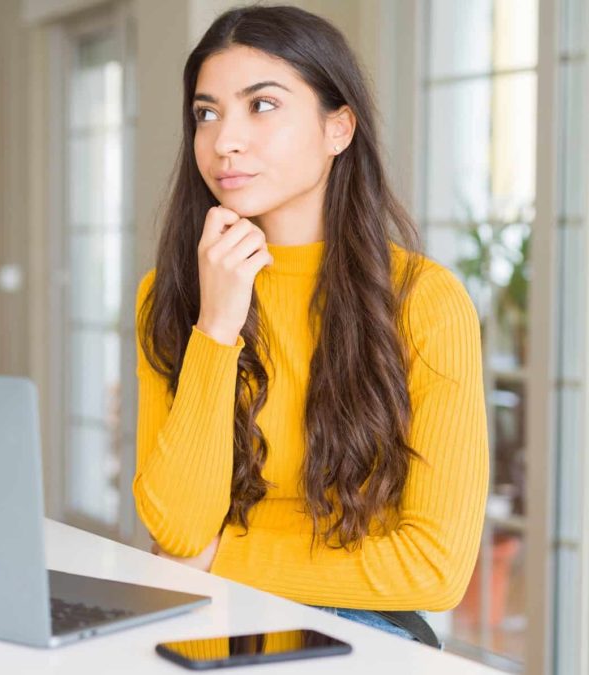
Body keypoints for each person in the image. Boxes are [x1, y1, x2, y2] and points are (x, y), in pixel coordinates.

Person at [133, 4, 489, 648]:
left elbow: (436, 571)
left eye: (261, 105)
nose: (223, 141)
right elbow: (178, 530)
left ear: (339, 128)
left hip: (353, 625)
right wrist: (217, 325)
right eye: (206, 113)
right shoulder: (174, 293)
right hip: (207, 616)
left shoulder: (424, 301)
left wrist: (225, 558)